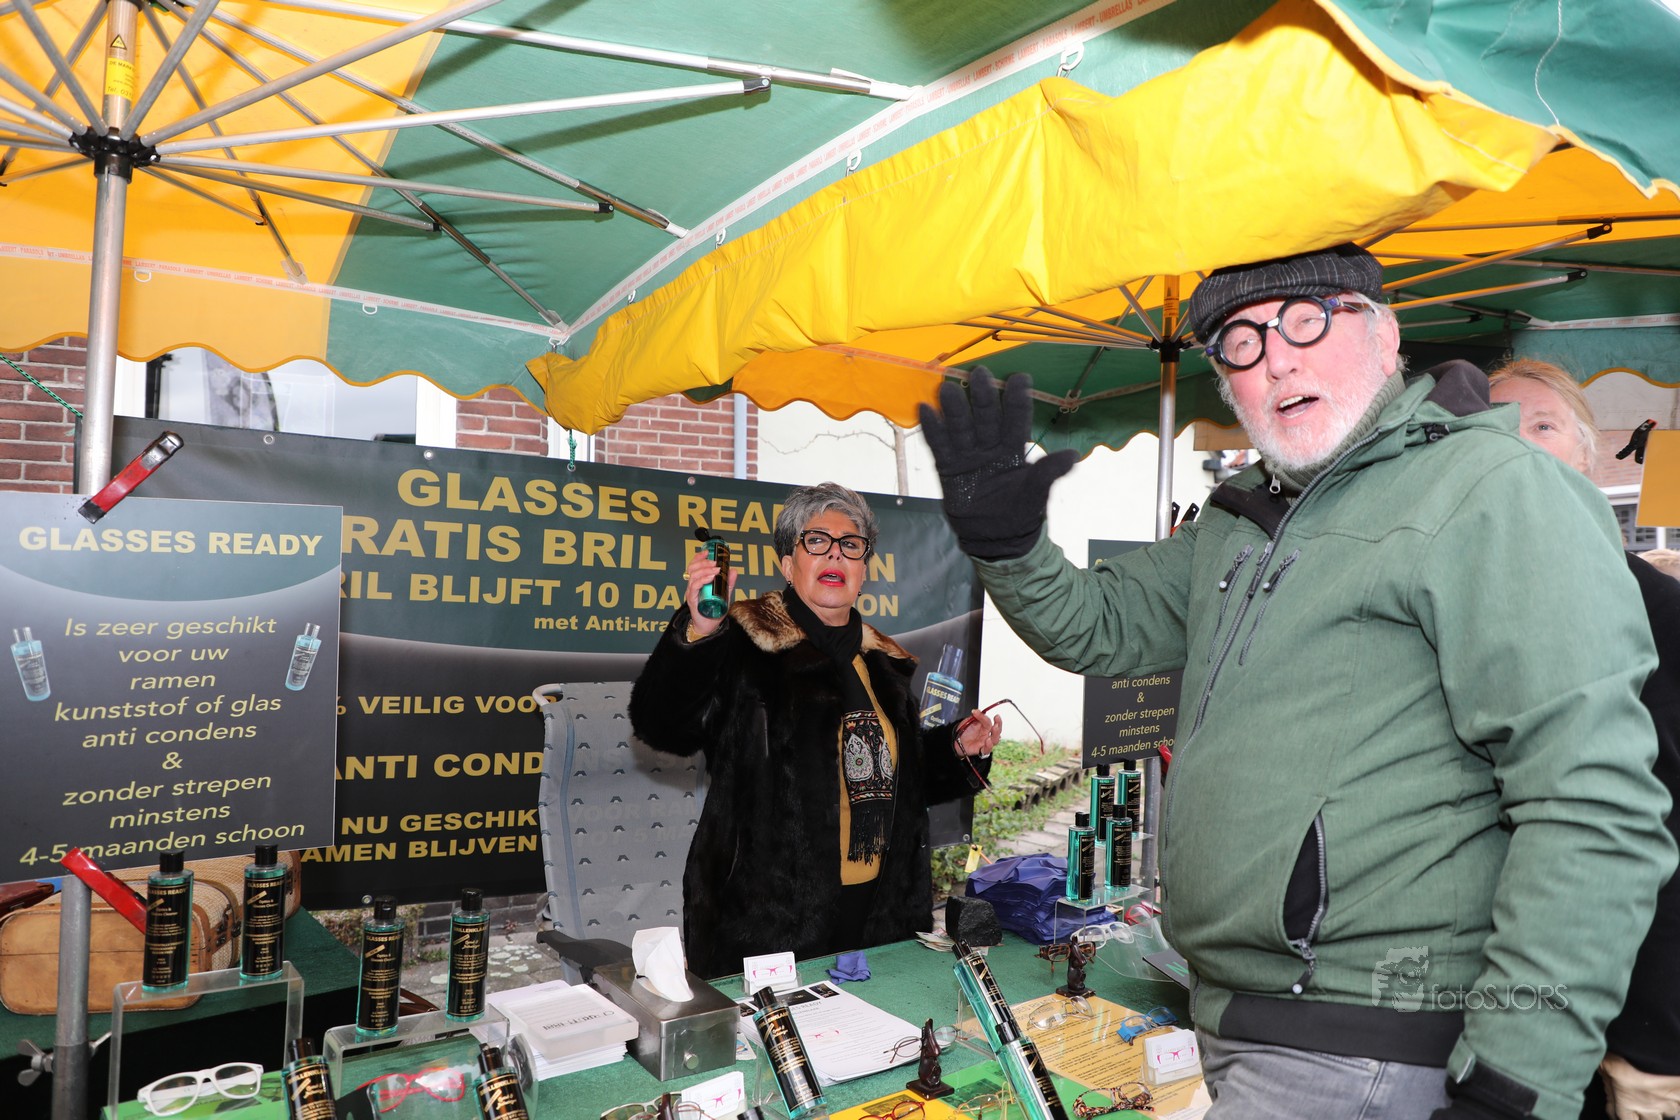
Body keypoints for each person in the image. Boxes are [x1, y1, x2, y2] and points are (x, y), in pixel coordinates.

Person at [919, 242, 1676, 1120]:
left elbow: (1591, 806)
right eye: (1240, 342)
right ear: (1226, 384)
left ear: (1385, 336)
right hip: (1236, 1019)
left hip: (1367, 1044)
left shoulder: (1490, 490)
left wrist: (1512, 1087)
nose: (1275, 356)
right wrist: (1008, 544)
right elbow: (1097, 623)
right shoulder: (1242, 517)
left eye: (1306, 319)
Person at [628, 481, 998, 979]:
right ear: (788, 564)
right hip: (766, 926)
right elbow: (662, 726)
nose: (835, 554)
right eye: (817, 541)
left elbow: (895, 781)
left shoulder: (883, 665)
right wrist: (698, 632)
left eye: (851, 545)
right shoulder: (743, 645)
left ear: (864, 571)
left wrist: (956, 750)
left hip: (880, 918)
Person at [1487, 359, 1680, 1120]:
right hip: (1478, 1019)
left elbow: (1667, 837)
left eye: (1542, 424)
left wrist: (1654, 1052)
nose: (1518, 442)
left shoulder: (1659, 616)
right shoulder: (1450, 615)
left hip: (1618, 1038)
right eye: (1494, 428)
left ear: (1588, 454)